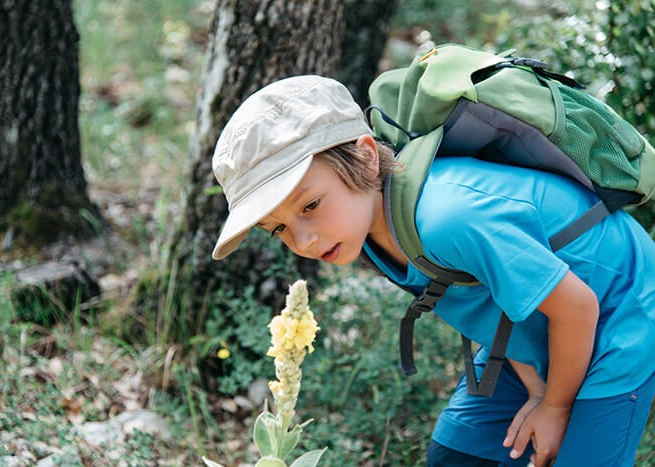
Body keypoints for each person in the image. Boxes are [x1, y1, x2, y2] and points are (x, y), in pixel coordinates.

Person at [210, 75, 655, 466]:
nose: (303, 240)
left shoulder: (448, 217)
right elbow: (484, 302)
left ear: (366, 157)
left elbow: (579, 307)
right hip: (541, 323)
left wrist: (554, 408)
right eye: (279, 229)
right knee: (460, 455)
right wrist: (536, 390)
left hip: (621, 311)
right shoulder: (369, 229)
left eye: (310, 205)